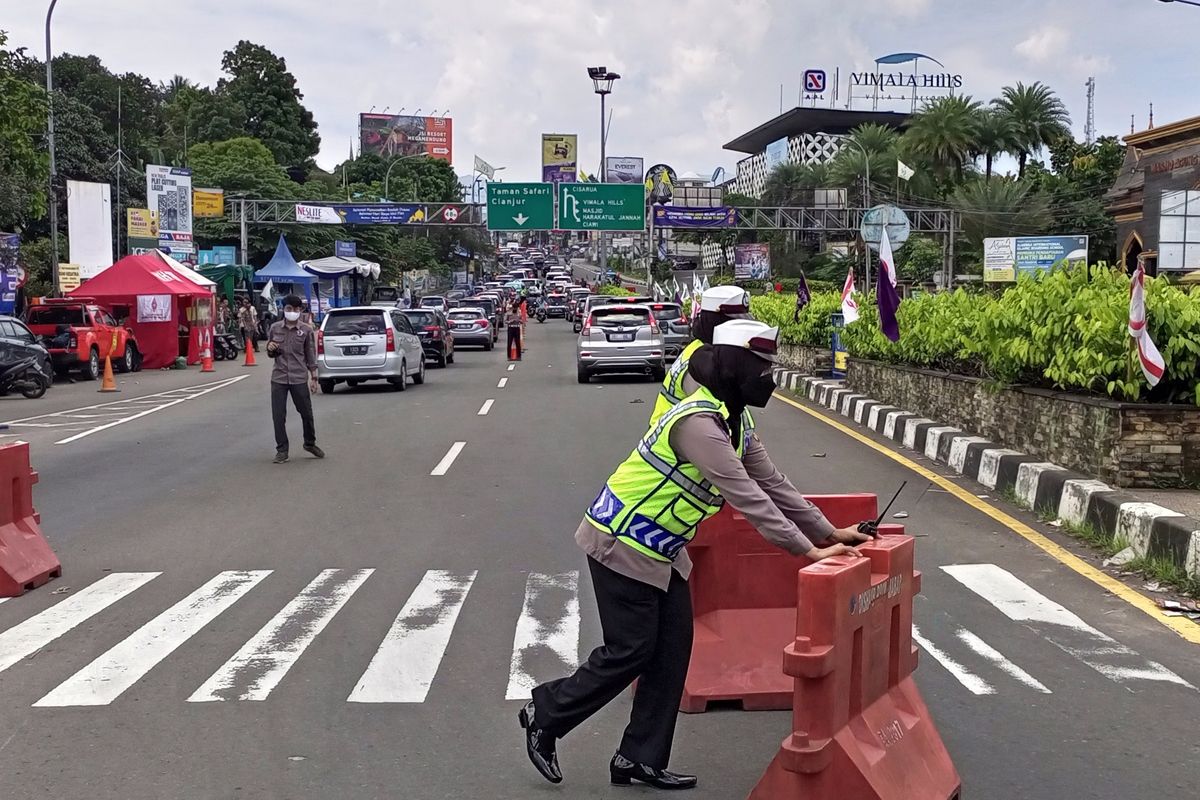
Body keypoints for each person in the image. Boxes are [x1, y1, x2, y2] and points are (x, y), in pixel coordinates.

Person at [519, 319, 871, 791]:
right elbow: (749, 498)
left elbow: (775, 484)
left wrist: (830, 533)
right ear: (737, 369)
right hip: (620, 540)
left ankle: (637, 758)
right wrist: (806, 551)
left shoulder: (735, 420)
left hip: (662, 550)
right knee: (632, 651)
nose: (770, 377)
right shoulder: (698, 425)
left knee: (671, 651)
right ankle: (546, 712)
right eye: (763, 367)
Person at [651, 285, 753, 427]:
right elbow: (710, 420)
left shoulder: (713, 352)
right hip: (675, 441)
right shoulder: (699, 363)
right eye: (735, 325)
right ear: (716, 322)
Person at [266, 295, 324, 464]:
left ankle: (310, 443)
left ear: (300, 311)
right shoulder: (275, 328)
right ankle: (282, 450)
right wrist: (270, 348)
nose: (293, 312)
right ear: (283, 310)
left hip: (299, 377)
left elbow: (310, 354)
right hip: (279, 378)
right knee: (278, 416)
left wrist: (314, 377)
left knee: (306, 413)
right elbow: (271, 353)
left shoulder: (306, 330)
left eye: (296, 309)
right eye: (289, 309)